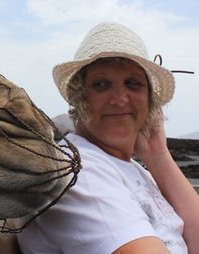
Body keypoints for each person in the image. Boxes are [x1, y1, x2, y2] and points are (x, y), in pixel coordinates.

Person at [17, 22, 199, 254]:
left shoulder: (134, 168)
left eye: (133, 83)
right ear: (78, 96)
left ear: (150, 100)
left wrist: (159, 157)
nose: (120, 98)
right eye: (101, 84)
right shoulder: (76, 171)